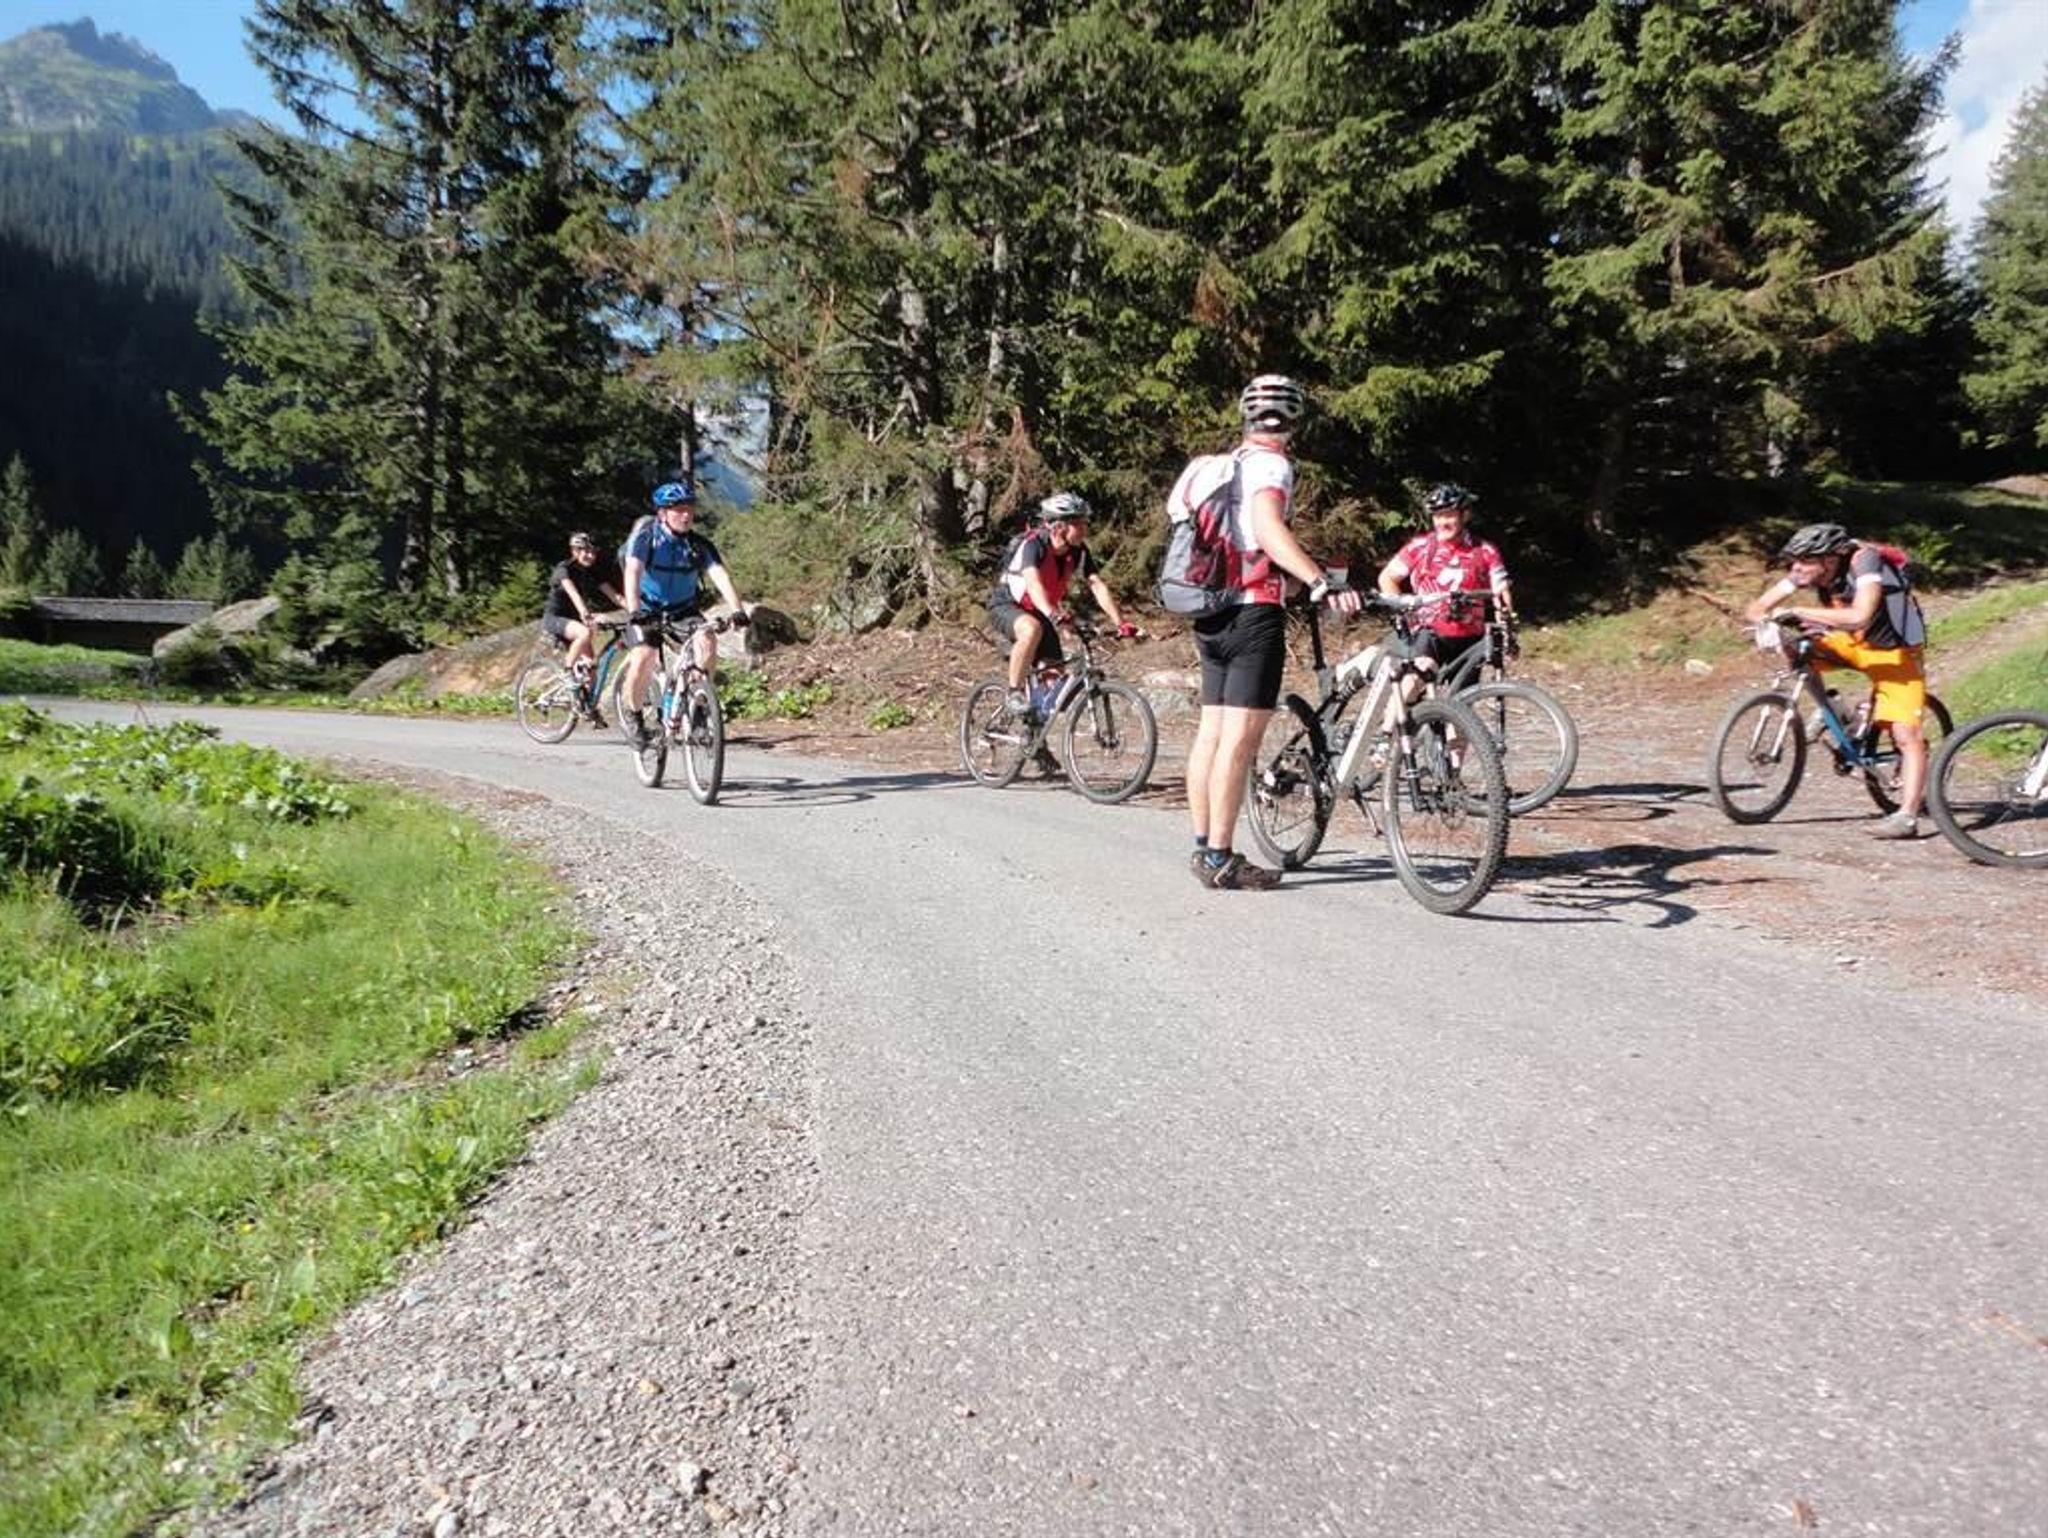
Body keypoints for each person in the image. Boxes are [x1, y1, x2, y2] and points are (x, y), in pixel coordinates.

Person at [1182, 374, 1361, 890]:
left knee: (1211, 734)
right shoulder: (1272, 465)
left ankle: (1203, 847)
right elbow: (1266, 528)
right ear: (1294, 421)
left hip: (1210, 611)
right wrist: (1318, 581)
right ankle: (1221, 858)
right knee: (1239, 742)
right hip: (1252, 614)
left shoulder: (1211, 468)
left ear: (1246, 416)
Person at [1744, 521, 1930, 839]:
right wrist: (1767, 619)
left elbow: (1860, 615)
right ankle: (1833, 710)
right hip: (1850, 642)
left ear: (1830, 560)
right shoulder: (1809, 569)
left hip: (1895, 654)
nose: (1797, 568)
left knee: (1905, 735)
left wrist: (1799, 611)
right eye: (1795, 561)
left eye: (1805, 561)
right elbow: (1757, 607)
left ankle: (1907, 816)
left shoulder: (1866, 562)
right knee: (1795, 648)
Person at [619, 480, 752, 746]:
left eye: (689, 509)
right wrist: (634, 611)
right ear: (662, 513)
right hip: (646, 610)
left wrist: (738, 610)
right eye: (678, 509)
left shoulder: (698, 544)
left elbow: (720, 575)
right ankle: (633, 716)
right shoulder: (646, 539)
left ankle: (700, 709)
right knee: (644, 657)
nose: (686, 515)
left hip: (683, 609)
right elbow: (632, 572)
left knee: (707, 641)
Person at [988, 491, 1136, 720]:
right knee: (1031, 629)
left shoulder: (1079, 551)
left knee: (1054, 680)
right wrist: (1053, 614)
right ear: (1058, 527)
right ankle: (1014, 692)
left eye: (1085, 522)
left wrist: (1121, 622)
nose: (1085, 529)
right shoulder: (1034, 545)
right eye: (1078, 524)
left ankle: (1034, 730)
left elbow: (1096, 584)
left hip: (1042, 612)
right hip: (1007, 604)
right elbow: (1033, 584)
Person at [1376, 483, 1515, 684]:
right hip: (1429, 632)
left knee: (1463, 697)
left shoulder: (1485, 550)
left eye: (1449, 516)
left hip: (1469, 637)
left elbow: (1501, 593)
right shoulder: (1421, 547)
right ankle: (1398, 706)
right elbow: (1387, 578)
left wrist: (1507, 630)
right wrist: (1403, 610)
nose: (1442, 522)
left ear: (1465, 515)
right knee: (1414, 681)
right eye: (1437, 516)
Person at [542, 531, 626, 718]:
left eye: (593, 552)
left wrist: (635, 609)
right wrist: (583, 612)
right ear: (574, 551)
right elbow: (572, 592)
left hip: (575, 621)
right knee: (584, 633)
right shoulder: (564, 569)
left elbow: (615, 596)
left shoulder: (591, 571)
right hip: (556, 618)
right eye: (585, 551)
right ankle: (568, 672)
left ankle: (587, 707)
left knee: (591, 667)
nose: (590, 556)